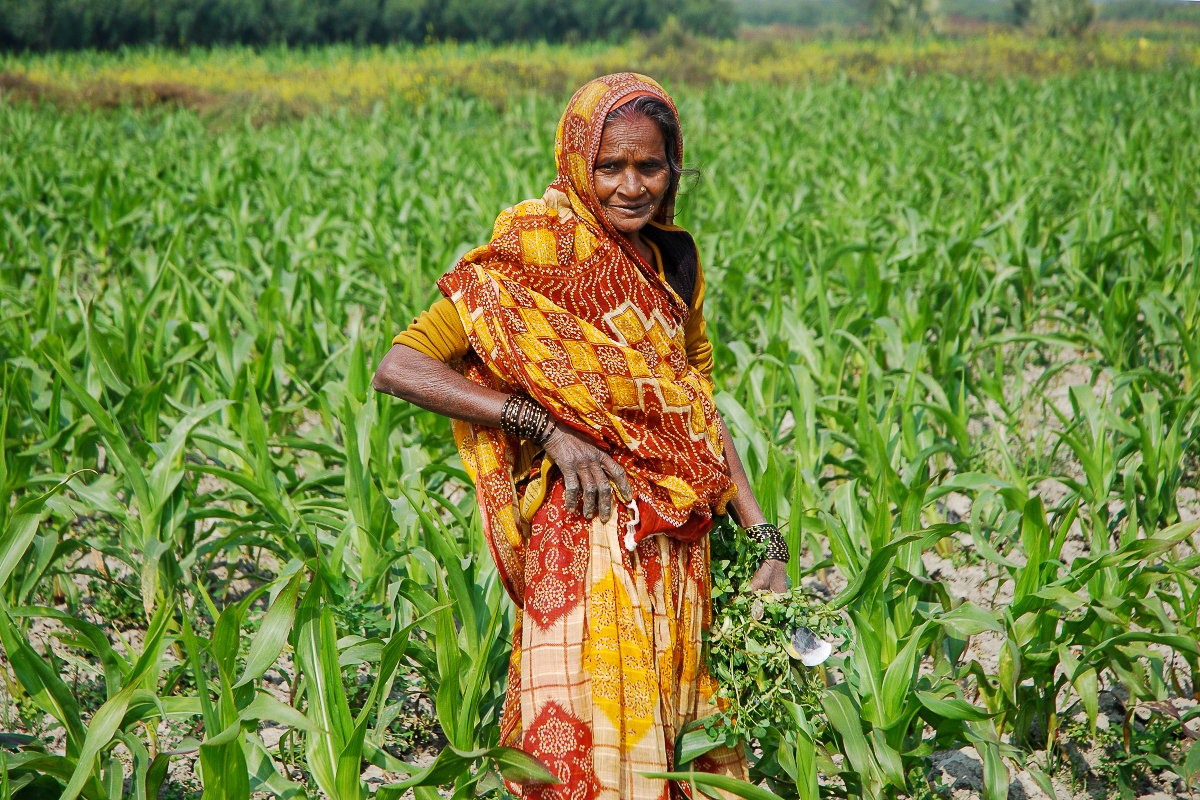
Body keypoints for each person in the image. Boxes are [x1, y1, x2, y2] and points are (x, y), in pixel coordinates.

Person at [373, 72, 789, 800]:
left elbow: (696, 407)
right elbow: (400, 366)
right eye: (610, 166)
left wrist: (764, 538)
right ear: (576, 162)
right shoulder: (538, 250)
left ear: (674, 167)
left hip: (678, 545)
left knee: (669, 747)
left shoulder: (676, 266)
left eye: (650, 166)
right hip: (586, 536)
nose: (632, 186)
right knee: (584, 746)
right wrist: (546, 428)